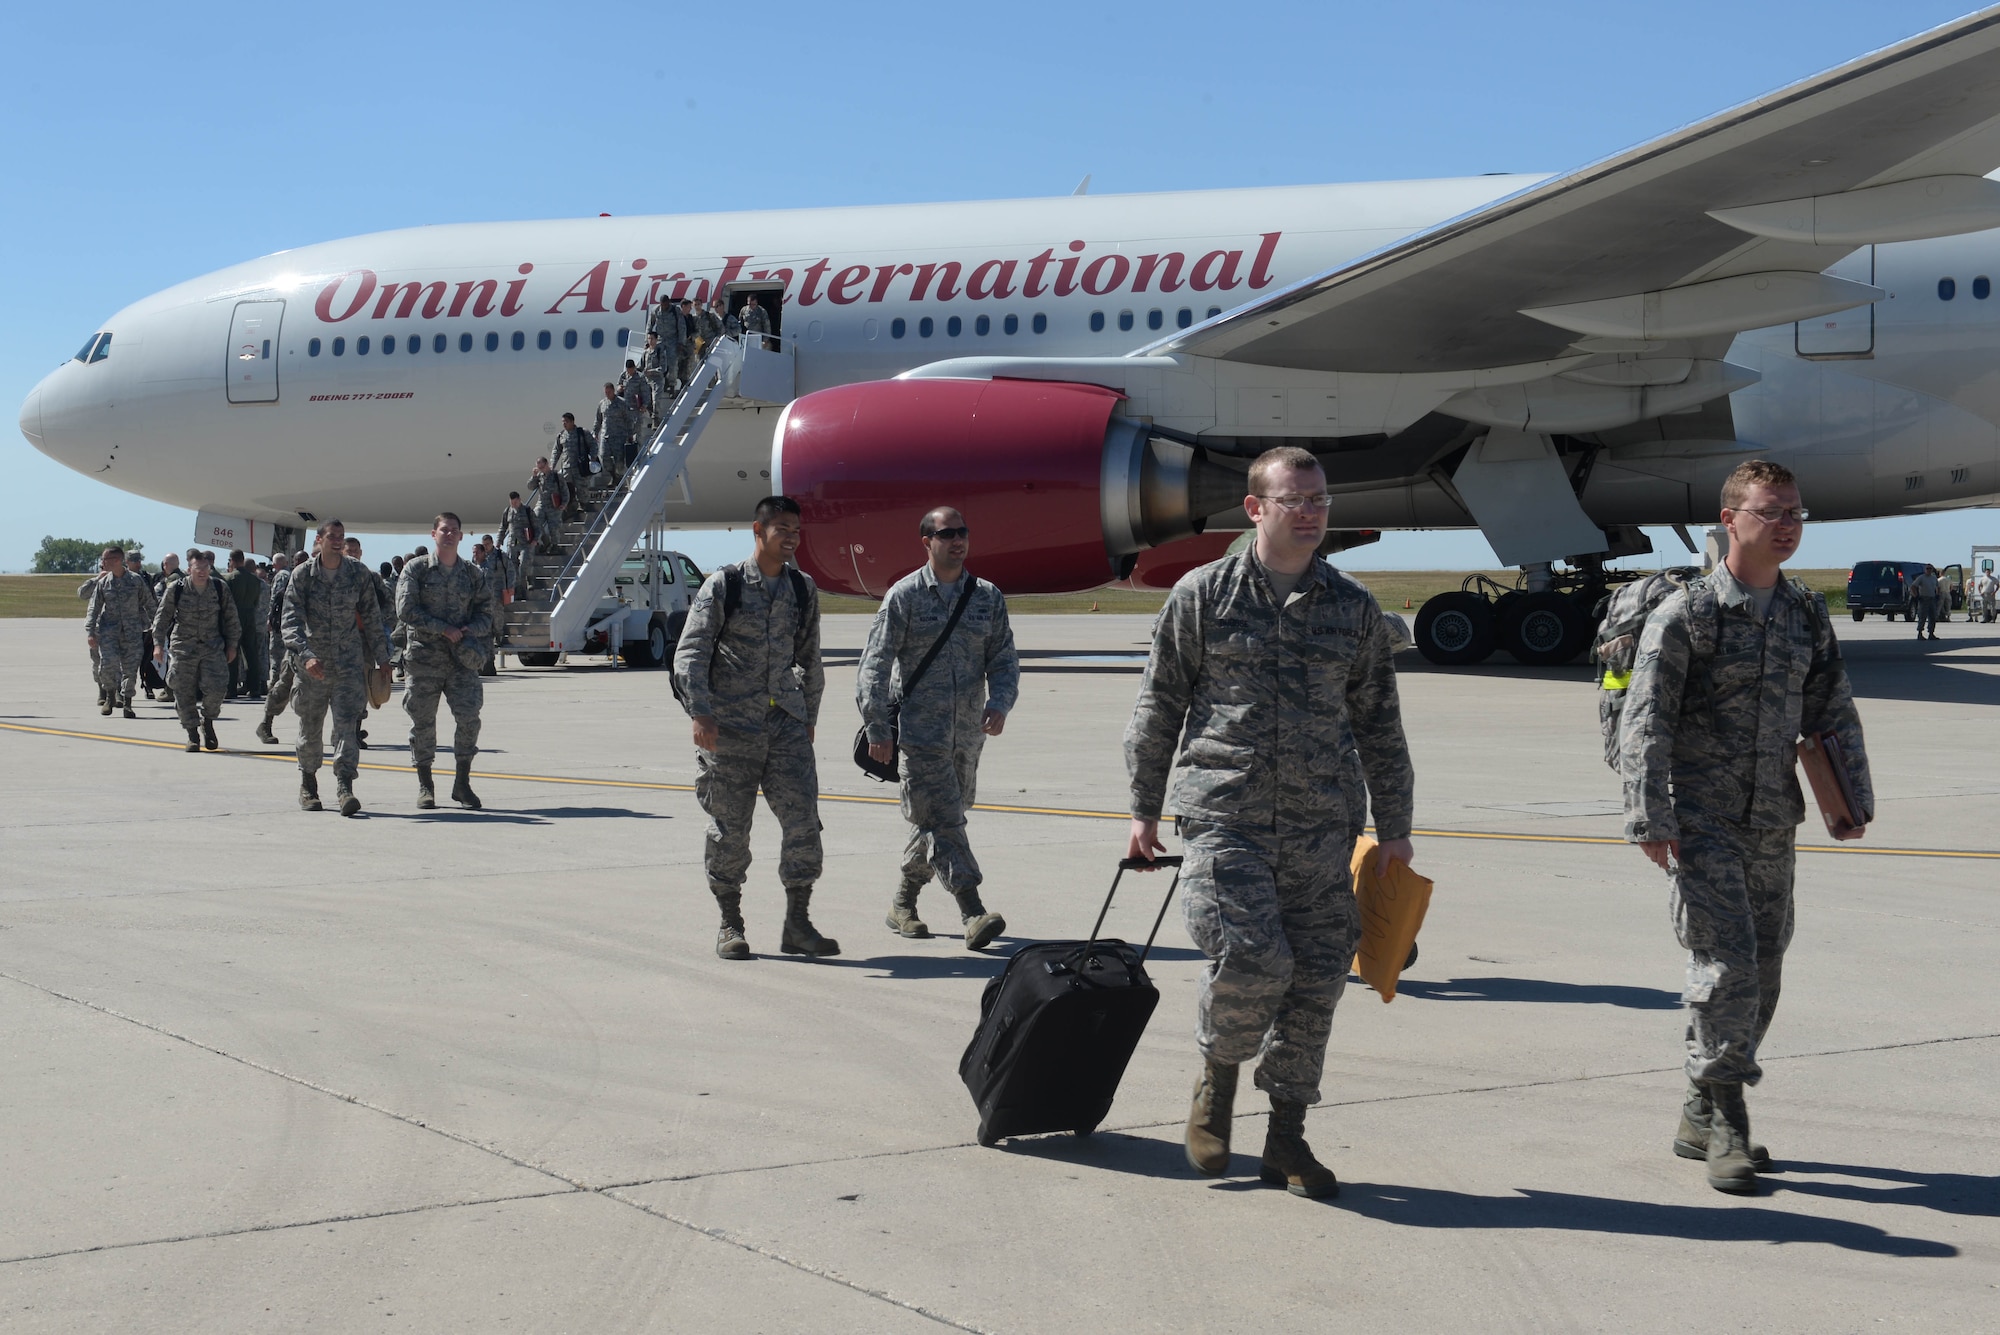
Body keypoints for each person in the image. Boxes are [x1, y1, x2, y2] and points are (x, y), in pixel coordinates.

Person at [1126, 445, 1416, 1200]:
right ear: (1256, 508)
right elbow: (1158, 704)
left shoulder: (1352, 607)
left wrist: (1397, 826)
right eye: (1297, 499)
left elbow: (1380, 723)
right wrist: (1142, 807)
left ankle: (1286, 1136)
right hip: (1228, 817)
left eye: (1320, 499)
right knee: (1255, 961)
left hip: (1325, 825)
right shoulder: (1203, 594)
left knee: (1318, 979)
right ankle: (1217, 1081)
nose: (1313, 512)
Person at [1619, 459, 1873, 1195]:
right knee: (1725, 965)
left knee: (1765, 972)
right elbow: (1646, 722)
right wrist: (1649, 816)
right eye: (1770, 512)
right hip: (1700, 820)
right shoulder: (1689, 614)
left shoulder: (1803, 611)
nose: (1787, 525)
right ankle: (1729, 1117)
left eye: (1795, 512)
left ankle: (1699, 1105)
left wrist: (1850, 798)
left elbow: (1831, 706)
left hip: (1773, 818)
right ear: (1729, 520)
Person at [671, 495, 834, 960]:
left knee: (804, 823)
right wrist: (700, 713)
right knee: (731, 830)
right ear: (757, 531)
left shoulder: (802, 589)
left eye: (796, 530)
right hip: (729, 727)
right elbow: (692, 652)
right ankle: (730, 922)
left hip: (784, 723)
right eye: (781, 528)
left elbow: (811, 659)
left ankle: (798, 923)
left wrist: (809, 718)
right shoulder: (723, 585)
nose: (791, 537)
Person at [856, 507, 1020, 950]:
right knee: (946, 820)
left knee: (940, 821)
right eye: (946, 534)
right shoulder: (904, 596)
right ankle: (972, 909)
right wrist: (876, 726)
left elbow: (1003, 657)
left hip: (968, 734)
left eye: (962, 532)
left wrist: (1000, 702)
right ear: (926, 541)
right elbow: (874, 663)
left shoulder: (986, 596)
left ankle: (903, 903)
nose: (957, 540)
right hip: (919, 735)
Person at [282, 520, 387, 815]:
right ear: (320, 539)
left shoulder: (357, 572)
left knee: (347, 728)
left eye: (341, 537)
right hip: (313, 667)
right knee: (310, 728)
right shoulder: (303, 575)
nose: (339, 541)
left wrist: (384, 657)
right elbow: (290, 621)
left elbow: (373, 616)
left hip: (349, 665)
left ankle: (344, 787)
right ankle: (309, 784)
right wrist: (305, 655)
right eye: (333, 537)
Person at [397, 512, 494, 810]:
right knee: (423, 723)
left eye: (454, 530)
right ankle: (425, 785)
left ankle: (462, 783)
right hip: (424, 660)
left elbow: (487, 613)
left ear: (462, 536)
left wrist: (469, 629)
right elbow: (405, 609)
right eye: (444, 530)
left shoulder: (472, 574)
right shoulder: (417, 570)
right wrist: (443, 628)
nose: (449, 534)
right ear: (433, 534)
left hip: (462, 661)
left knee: (469, 719)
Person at [152, 549, 240, 751]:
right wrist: (158, 644)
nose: (202, 572)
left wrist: (233, 645)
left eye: (206, 568)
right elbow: (162, 617)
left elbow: (231, 618)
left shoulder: (219, 587)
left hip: (212, 645)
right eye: (198, 568)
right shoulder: (177, 588)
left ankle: (207, 721)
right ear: (189, 569)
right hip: (184, 646)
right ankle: (192, 732)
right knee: (182, 691)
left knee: (217, 687)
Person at [85, 546, 157, 718]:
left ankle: (127, 703)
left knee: (130, 669)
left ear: (117, 560)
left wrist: (156, 626)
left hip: (132, 632)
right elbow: (94, 608)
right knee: (107, 664)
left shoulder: (136, 581)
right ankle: (110, 696)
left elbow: (149, 603)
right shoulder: (104, 583)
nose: (102, 563)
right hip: (109, 632)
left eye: (105, 560)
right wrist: (90, 631)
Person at [222, 549, 264, 698]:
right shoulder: (255, 580)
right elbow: (256, 601)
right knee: (251, 653)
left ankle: (231, 688)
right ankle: (254, 688)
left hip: (234, 617)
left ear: (232, 560)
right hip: (250, 616)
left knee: (232, 651)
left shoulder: (230, 578)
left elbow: (226, 601)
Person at [595, 381, 636, 480]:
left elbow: (629, 419)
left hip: (619, 436)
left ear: (613, 391)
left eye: (609, 392)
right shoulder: (602, 404)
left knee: (619, 461)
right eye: (606, 392)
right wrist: (595, 432)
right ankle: (613, 475)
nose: (607, 394)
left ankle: (619, 477)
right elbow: (598, 419)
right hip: (606, 436)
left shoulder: (622, 402)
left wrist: (630, 435)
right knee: (604, 456)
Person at [499, 492, 535, 599]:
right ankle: (519, 590)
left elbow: (536, 525)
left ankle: (529, 579)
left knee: (523, 564)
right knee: (513, 569)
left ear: (519, 500)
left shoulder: (527, 510)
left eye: (515, 502)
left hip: (526, 543)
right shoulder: (507, 511)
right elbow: (503, 527)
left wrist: (536, 539)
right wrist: (499, 540)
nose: (513, 504)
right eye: (511, 502)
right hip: (512, 544)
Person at [553, 414, 592, 512]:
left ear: (572, 421)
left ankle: (584, 505)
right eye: (563, 422)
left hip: (580, 467)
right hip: (567, 468)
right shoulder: (561, 435)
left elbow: (593, 445)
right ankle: (571, 507)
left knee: (582, 488)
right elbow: (556, 451)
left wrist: (593, 457)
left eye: (566, 421)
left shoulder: (582, 433)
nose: (564, 424)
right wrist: (552, 465)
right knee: (567, 488)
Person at [1911, 564, 1941, 640]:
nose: (1929, 570)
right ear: (1925, 570)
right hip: (1924, 599)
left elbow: (1938, 587)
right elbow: (1913, 586)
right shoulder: (1921, 578)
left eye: (1930, 568)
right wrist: (1916, 596)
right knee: (1922, 616)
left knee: (1933, 617)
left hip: (1932, 599)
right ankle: (1920, 633)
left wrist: (1937, 594)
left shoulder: (1934, 578)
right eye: (1927, 568)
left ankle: (1931, 633)